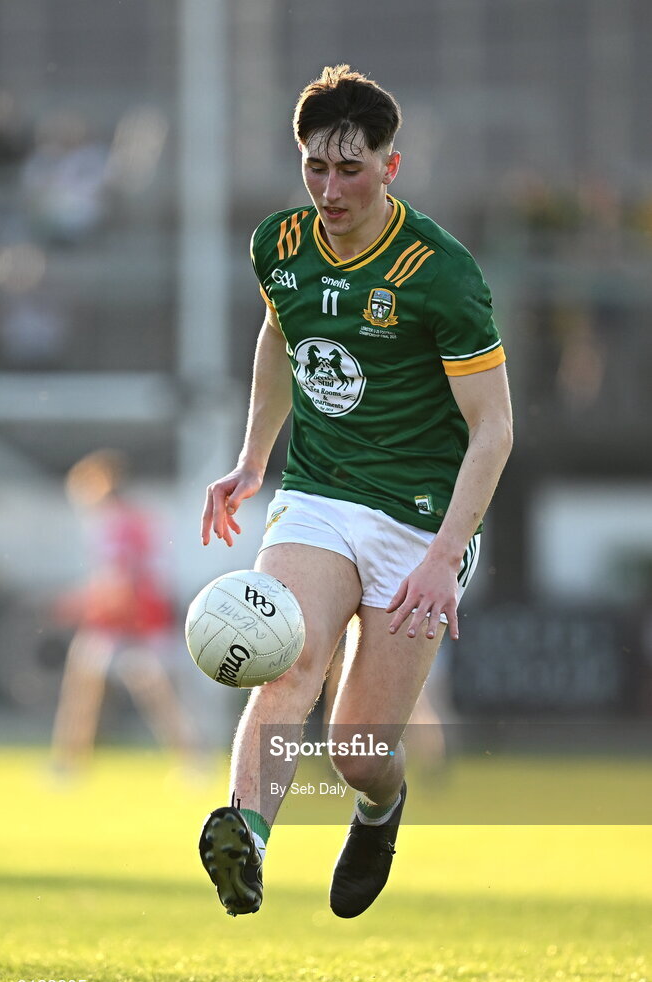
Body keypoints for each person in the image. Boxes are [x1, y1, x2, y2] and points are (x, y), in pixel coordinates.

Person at [198, 66, 513, 918]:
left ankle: (378, 809)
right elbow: (278, 330)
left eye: (348, 169)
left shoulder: (440, 274)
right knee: (287, 659)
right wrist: (253, 459)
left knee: (358, 748)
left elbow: (493, 428)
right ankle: (246, 837)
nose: (328, 189)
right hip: (321, 492)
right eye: (312, 168)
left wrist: (446, 556)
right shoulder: (279, 244)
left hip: (418, 519)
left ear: (390, 167)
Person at [50, 450, 190, 774]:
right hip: (146, 618)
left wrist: (74, 604)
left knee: (144, 694)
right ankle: (190, 759)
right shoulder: (139, 517)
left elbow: (118, 580)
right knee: (96, 688)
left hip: (127, 622)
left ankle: (68, 764)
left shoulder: (112, 524)